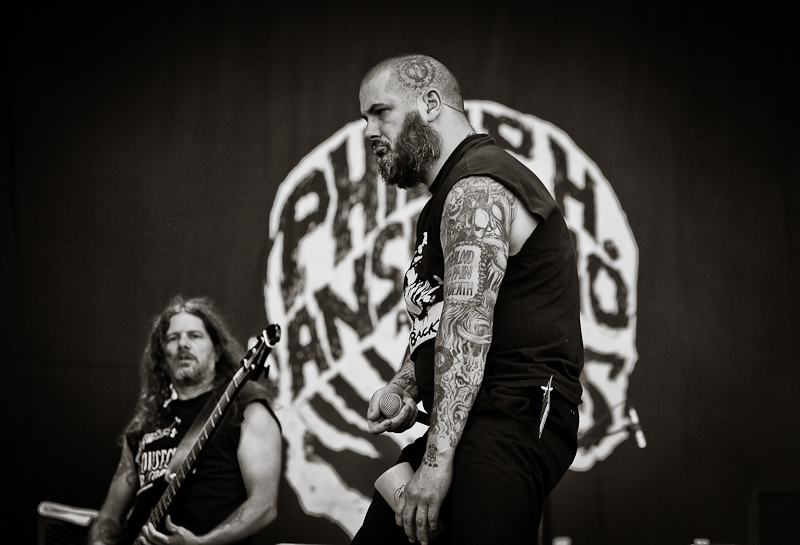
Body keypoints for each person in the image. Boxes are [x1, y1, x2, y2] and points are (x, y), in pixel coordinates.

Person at [351, 55, 584, 545]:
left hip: (508, 419)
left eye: (380, 112)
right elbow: (442, 326)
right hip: (465, 423)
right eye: (364, 118)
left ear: (430, 103)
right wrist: (405, 386)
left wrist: (434, 466)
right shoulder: (444, 201)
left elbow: (468, 330)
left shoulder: (476, 188)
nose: (369, 130)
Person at [88, 296, 282, 545]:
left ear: (217, 351)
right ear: (161, 357)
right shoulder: (142, 430)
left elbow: (264, 505)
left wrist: (202, 543)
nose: (183, 344)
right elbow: (109, 517)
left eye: (195, 335)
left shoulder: (247, 414)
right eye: (172, 338)